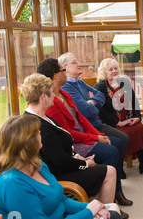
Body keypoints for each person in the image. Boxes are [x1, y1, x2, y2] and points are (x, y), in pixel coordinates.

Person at [0, 115, 135, 219]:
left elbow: (62, 200)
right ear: (27, 142)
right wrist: (88, 213)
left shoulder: (37, 165)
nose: (40, 133)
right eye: (37, 132)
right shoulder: (12, 183)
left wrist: (88, 207)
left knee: (112, 217)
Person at [36, 58, 133, 209]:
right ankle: (110, 196)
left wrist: (98, 135)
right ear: (55, 76)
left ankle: (114, 189)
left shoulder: (63, 93)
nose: (65, 73)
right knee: (112, 151)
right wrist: (95, 137)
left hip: (86, 132)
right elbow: (69, 133)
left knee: (118, 142)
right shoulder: (51, 102)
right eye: (63, 70)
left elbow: (82, 117)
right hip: (76, 142)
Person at [19, 73, 116, 205]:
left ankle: (98, 213)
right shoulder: (38, 125)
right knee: (110, 171)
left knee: (101, 171)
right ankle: (105, 215)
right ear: (44, 96)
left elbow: (61, 150)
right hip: (56, 176)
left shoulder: (44, 117)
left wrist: (79, 157)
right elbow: (60, 160)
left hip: (64, 167)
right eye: (52, 92)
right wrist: (85, 164)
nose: (55, 95)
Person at [59, 52, 130, 178]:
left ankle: (115, 174)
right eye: (74, 62)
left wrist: (91, 102)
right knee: (115, 145)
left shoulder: (80, 82)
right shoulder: (66, 86)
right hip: (87, 127)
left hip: (96, 123)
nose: (79, 64)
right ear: (65, 68)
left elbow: (100, 96)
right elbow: (87, 111)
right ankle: (109, 175)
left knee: (123, 139)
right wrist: (93, 105)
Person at [94, 58, 143, 178]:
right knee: (121, 136)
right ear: (104, 72)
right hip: (112, 124)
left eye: (115, 68)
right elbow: (100, 112)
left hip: (129, 119)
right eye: (110, 69)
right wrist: (118, 123)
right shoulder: (100, 87)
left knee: (140, 128)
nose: (114, 71)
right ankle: (119, 167)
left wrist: (137, 117)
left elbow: (135, 102)